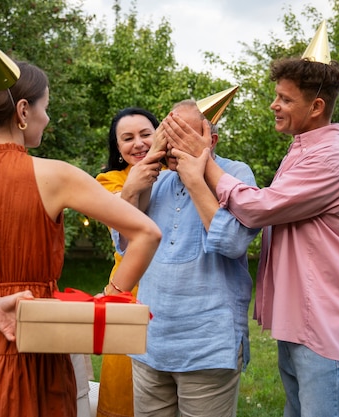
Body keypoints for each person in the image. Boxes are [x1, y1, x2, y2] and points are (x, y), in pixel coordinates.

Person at [0, 33, 161, 417]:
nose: (48, 117)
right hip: (33, 350)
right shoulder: (56, 175)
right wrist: (104, 301)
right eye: (46, 107)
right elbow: (147, 231)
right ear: (23, 112)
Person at [171, 22, 339, 417]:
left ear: (316, 107)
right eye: (275, 95)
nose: (273, 105)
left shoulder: (334, 158)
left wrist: (203, 163)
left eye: (284, 98)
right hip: (300, 320)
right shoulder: (301, 151)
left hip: (324, 325)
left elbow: (258, 208)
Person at [113, 98, 260, 417]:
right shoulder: (157, 180)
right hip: (151, 343)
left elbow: (233, 242)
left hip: (208, 346)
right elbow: (125, 244)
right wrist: (130, 189)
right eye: (169, 136)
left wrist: (196, 177)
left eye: (184, 138)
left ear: (212, 140)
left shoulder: (235, 175)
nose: (172, 148)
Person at [94, 107, 163, 417]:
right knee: (123, 384)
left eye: (146, 134)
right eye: (128, 138)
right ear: (117, 147)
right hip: (127, 289)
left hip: (172, 289)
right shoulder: (108, 180)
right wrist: (139, 180)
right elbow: (126, 226)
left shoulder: (178, 174)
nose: (138, 143)